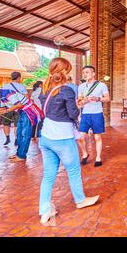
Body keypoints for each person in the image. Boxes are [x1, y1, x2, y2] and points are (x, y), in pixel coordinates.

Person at [38, 57, 99, 225]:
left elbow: (54, 110)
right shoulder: (67, 90)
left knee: (48, 175)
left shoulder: (45, 88)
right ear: (64, 71)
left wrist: (73, 104)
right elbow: (72, 114)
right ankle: (80, 200)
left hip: (46, 138)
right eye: (68, 70)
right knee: (73, 171)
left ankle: (44, 210)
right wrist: (79, 104)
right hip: (62, 138)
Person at [0, 83, 43, 162]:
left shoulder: (6, 93)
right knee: (19, 134)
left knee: (25, 134)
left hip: (28, 111)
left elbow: (19, 104)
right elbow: (1, 112)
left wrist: (7, 110)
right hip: (22, 112)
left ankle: (21, 156)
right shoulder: (2, 97)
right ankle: (19, 153)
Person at [77, 65, 110, 167]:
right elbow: (79, 102)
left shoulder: (101, 85)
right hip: (85, 114)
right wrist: (84, 101)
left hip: (97, 114)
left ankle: (98, 158)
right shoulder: (81, 87)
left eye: (87, 72)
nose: (85, 74)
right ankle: (85, 154)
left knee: (97, 137)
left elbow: (107, 99)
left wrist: (97, 99)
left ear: (93, 73)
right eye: (84, 73)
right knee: (80, 137)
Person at [2, 72, 28, 146]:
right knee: (17, 124)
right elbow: (26, 97)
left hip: (7, 106)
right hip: (18, 107)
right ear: (19, 78)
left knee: (5, 123)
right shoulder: (21, 86)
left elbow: (2, 97)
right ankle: (16, 139)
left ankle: (7, 138)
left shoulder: (5, 86)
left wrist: (2, 107)